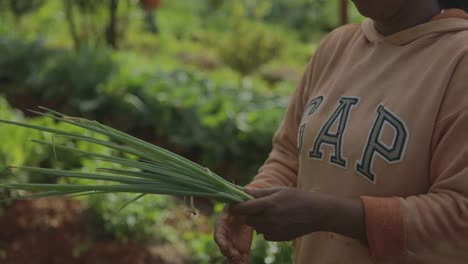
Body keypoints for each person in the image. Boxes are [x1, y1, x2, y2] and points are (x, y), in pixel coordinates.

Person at [214, 0, 468, 263]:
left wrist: (328, 215)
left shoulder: (458, 60)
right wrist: (251, 202)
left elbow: (461, 216)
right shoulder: (337, 46)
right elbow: (290, 156)